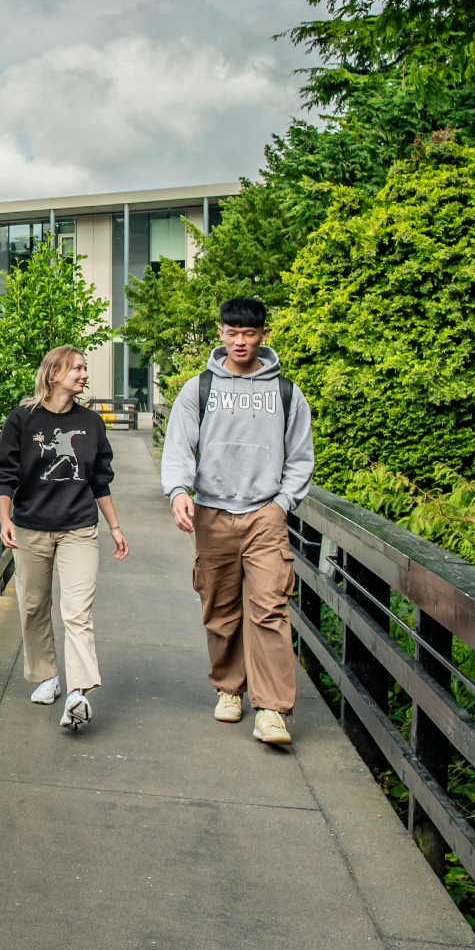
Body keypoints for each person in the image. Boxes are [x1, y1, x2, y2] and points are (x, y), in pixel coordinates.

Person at [160, 296, 315, 748]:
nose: (240, 341)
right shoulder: (199, 388)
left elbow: (301, 457)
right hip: (212, 513)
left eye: (249, 333)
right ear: (221, 332)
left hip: (265, 514)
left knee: (269, 609)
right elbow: (178, 447)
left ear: (264, 335)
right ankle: (230, 688)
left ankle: (271, 710)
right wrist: (179, 492)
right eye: (232, 332)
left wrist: (282, 504)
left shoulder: (286, 391)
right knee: (220, 606)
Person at [0, 345, 129, 732]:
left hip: (79, 529)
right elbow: (3, 474)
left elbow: (100, 479)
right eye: (77, 369)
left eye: (85, 368)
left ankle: (77, 693)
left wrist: (115, 528)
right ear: (54, 374)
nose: (84, 374)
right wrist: (6, 519)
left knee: (77, 611)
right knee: (34, 607)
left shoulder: (91, 422)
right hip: (31, 527)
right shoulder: (22, 419)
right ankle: (48, 676)